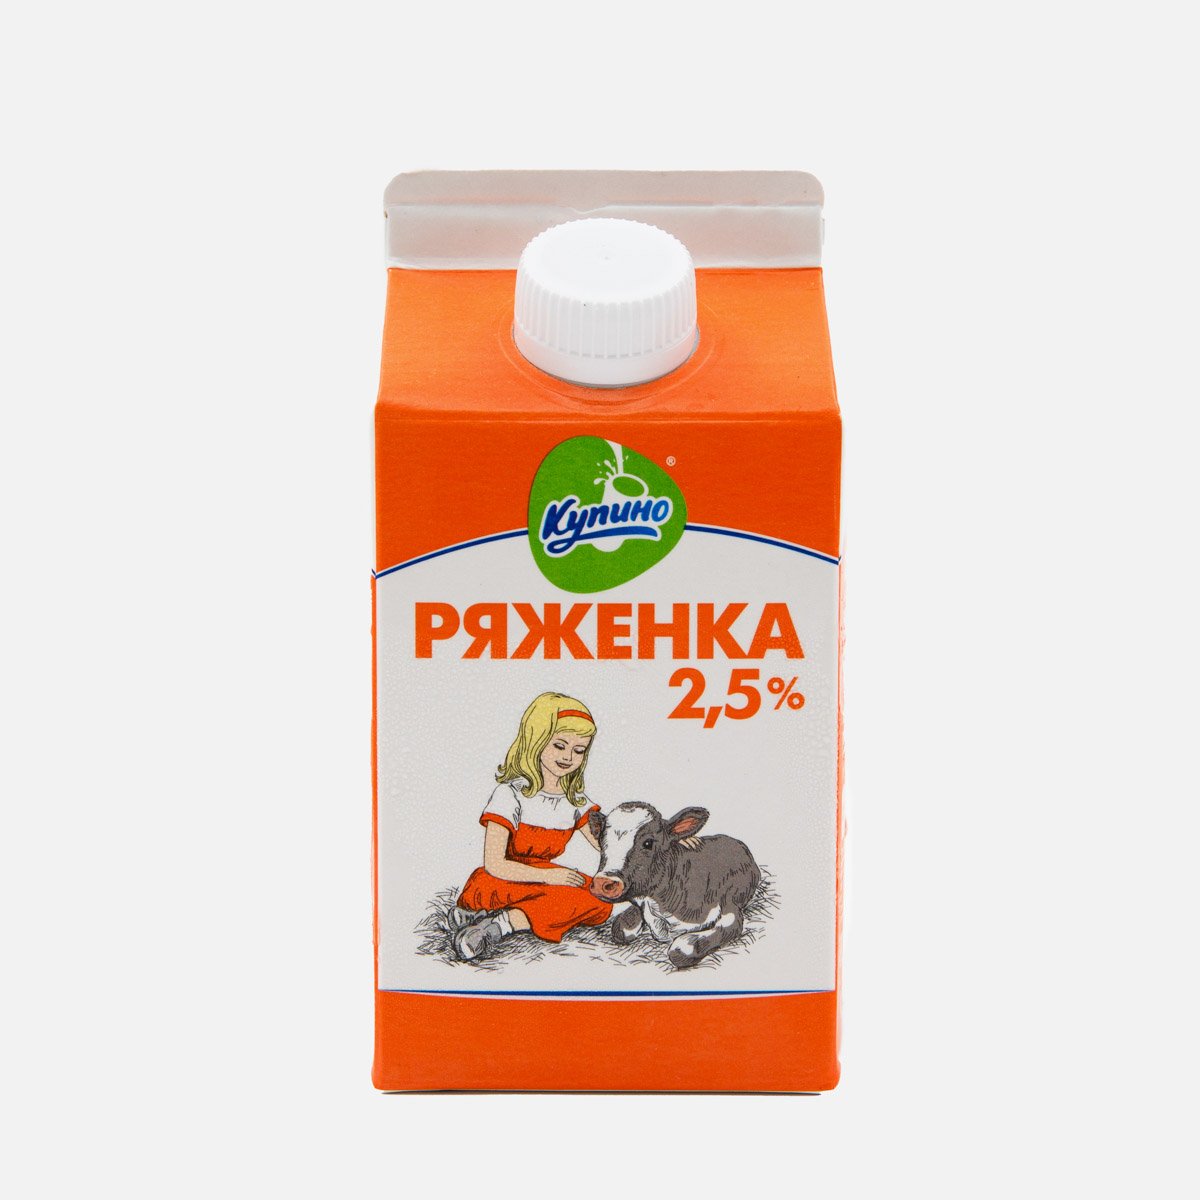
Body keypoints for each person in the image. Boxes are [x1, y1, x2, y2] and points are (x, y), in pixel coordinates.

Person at [453, 692, 611, 960]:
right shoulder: (510, 794)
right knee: (562, 898)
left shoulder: (575, 800)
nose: (568, 757)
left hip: (544, 880)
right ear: (536, 739)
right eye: (559, 746)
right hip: (502, 879)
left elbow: (607, 844)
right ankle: (497, 927)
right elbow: (495, 864)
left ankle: (483, 919)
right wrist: (550, 877)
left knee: (600, 900)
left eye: (578, 750)